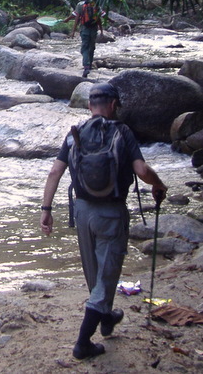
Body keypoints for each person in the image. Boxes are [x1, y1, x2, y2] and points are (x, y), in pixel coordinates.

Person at [39, 82, 168, 360]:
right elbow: (141, 170)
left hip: (82, 212)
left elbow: (54, 173)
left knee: (95, 273)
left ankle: (106, 318)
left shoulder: (75, 134)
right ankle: (83, 343)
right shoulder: (122, 132)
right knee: (106, 275)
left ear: (89, 106)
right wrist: (158, 184)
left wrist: (46, 209)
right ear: (113, 105)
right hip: (111, 213)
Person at [63, 0, 104, 78]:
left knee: (84, 49)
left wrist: (73, 30)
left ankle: (86, 67)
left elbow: (76, 17)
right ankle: (90, 65)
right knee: (91, 48)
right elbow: (100, 17)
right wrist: (101, 31)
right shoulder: (96, 4)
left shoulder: (80, 5)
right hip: (94, 30)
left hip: (84, 30)